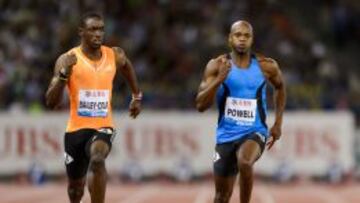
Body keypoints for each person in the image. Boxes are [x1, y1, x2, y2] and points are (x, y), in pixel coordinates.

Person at [45, 12, 142, 203]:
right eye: (93, 29)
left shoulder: (114, 55)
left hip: (103, 126)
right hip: (75, 130)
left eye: (101, 29)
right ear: (81, 32)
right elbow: (51, 102)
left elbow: (127, 67)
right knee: (75, 190)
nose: (98, 34)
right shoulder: (67, 59)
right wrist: (64, 74)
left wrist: (136, 96)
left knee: (98, 159)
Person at [195, 20, 286, 203]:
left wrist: (277, 123)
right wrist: (219, 79)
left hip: (254, 132)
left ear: (252, 40)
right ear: (230, 39)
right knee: (221, 197)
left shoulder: (266, 66)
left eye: (247, 35)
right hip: (226, 136)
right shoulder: (216, 66)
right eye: (238, 35)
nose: (242, 39)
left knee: (245, 162)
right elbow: (200, 105)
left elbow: (280, 87)